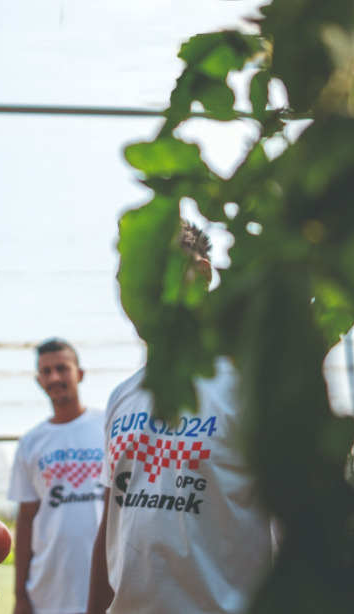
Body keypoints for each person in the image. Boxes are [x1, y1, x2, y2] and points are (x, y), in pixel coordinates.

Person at [86, 223, 275, 614]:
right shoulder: (122, 397)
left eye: (156, 269)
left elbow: (304, 536)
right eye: (128, 274)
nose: (139, 289)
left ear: (202, 276)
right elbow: (112, 525)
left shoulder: (251, 391)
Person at [8, 339, 105, 614]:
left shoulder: (108, 425)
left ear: (80, 374)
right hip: (49, 592)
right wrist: (20, 595)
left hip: (108, 584)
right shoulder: (30, 442)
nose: (54, 377)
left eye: (62, 368)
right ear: (39, 380)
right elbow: (26, 519)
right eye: (46, 371)